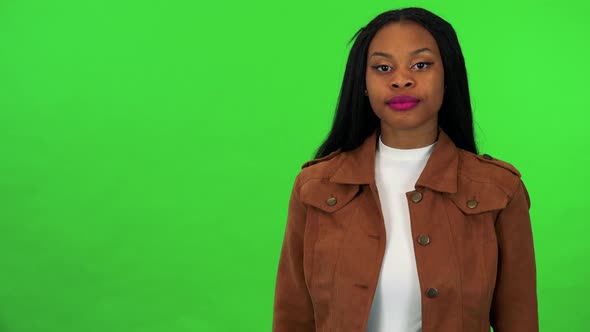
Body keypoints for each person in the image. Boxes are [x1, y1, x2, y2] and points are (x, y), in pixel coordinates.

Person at [272, 7, 538, 332]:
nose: (401, 79)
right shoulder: (314, 187)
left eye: (421, 64)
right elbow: (292, 318)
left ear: (448, 76)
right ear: (363, 82)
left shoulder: (499, 190)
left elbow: (520, 320)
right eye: (383, 67)